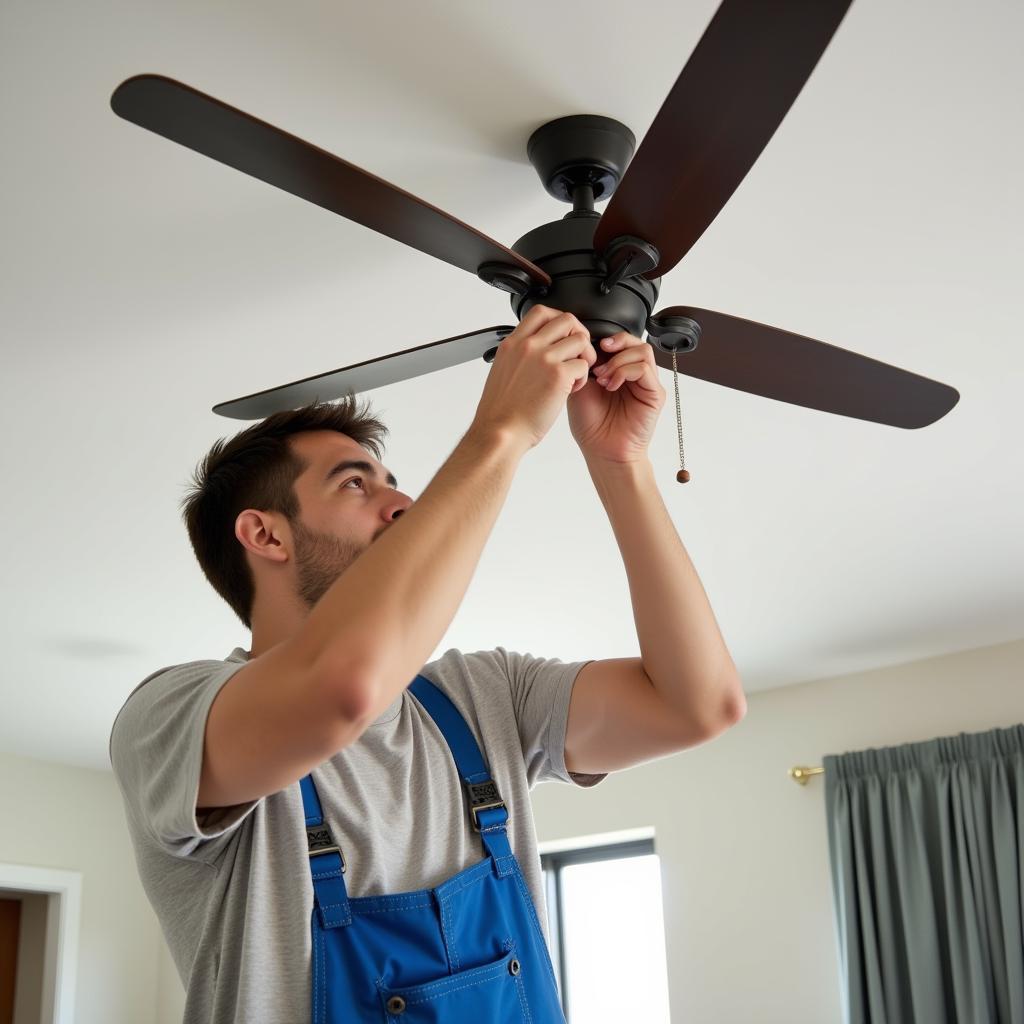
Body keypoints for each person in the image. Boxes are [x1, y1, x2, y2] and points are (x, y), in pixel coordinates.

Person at [109, 304, 746, 1023]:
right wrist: (500, 432)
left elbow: (701, 704)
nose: (403, 503)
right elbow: (342, 688)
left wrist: (620, 464)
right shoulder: (170, 716)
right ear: (264, 533)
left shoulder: (484, 698)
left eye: (390, 480)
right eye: (356, 484)